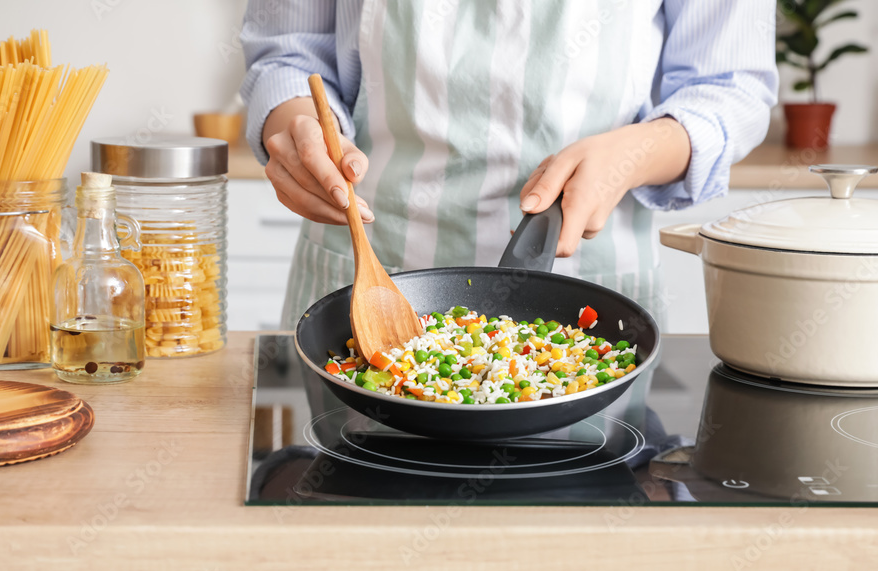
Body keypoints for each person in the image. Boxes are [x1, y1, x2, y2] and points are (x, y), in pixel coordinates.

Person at [240, 1, 778, 329]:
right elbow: (289, 54)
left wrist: (633, 155)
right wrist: (297, 130)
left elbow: (730, 87)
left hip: (587, 283)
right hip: (372, 271)